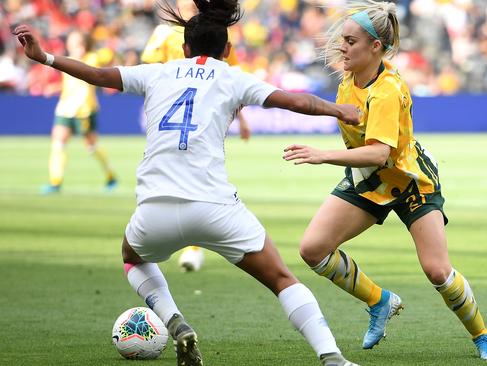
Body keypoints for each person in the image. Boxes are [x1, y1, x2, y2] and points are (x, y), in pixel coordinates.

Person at [13, 0, 362, 364]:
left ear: (184, 48)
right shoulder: (232, 76)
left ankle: (175, 320)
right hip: (215, 207)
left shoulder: (158, 73)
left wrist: (45, 58)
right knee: (282, 280)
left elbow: (98, 75)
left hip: (155, 210)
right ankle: (332, 357)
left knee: (132, 258)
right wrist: (339, 110)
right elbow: (295, 101)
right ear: (227, 51)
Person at [282, 0, 487, 360]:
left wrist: (321, 155)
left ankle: (483, 337)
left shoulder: (387, 90)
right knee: (312, 249)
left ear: (375, 47)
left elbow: (378, 153)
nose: (343, 46)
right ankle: (379, 301)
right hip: (369, 180)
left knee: (437, 270)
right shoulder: (348, 81)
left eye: (351, 41)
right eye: (343, 40)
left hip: (410, 180)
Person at [141, 0, 251, 272]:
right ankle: (179, 239)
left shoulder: (216, 30)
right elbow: (150, 70)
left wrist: (243, 120)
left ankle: (191, 246)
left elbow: (231, 78)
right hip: (173, 111)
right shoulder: (163, 33)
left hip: (204, 112)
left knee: (197, 170)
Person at [41, 30, 117, 194]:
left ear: (83, 44)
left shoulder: (92, 58)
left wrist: (108, 41)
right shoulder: (66, 61)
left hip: (85, 111)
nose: (73, 45)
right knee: (58, 143)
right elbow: (69, 85)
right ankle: (55, 182)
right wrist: (54, 88)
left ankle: (111, 176)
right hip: (64, 109)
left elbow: (108, 54)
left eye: (77, 42)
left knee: (91, 147)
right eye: (71, 41)